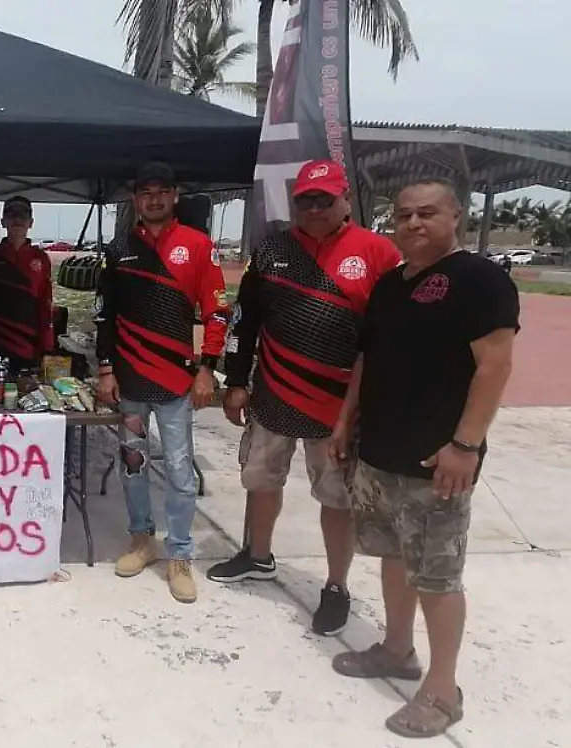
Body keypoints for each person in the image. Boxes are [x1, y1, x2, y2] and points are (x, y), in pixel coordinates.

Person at [329, 178, 519, 738]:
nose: (413, 223)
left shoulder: (481, 280)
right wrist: (345, 420)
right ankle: (395, 649)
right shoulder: (390, 285)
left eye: (427, 213)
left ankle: (442, 692)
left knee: (437, 577)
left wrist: (465, 445)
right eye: (404, 214)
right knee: (392, 556)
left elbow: (495, 367)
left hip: (437, 462)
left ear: (455, 215)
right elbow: (368, 359)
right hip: (380, 452)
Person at [208, 159, 401, 636]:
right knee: (260, 479)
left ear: (346, 200)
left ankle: (336, 586)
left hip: (338, 409)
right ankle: (257, 555)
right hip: (271, 395)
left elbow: (391, 337)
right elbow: (243, 321)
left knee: (336, 498)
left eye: (324, 199)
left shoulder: (378, 253)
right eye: (305, 200)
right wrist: (234, 381)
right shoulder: (271, 249)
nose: (314, 209)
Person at [93, 162, 229, 603]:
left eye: (161, 191)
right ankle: (141, 539)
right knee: (133, 466)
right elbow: (104, 316)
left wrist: (207, 367)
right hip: (129, 383)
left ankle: (180, 555)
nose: (152, 199)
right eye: (144, 192)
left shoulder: (198, 246)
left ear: (175, 195)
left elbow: (217, 312)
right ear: (135, 199)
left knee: (179, 472)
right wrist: (106, 369)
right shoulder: (119, 249)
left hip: (175, 383)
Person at [0, 196, 54, 370]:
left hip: (27, 345)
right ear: (3, 221)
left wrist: (48, 347)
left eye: (23, 215)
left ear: (31, 223)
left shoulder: (41, 258)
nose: (17, 219)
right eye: (12, 214)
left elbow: (46, 304)